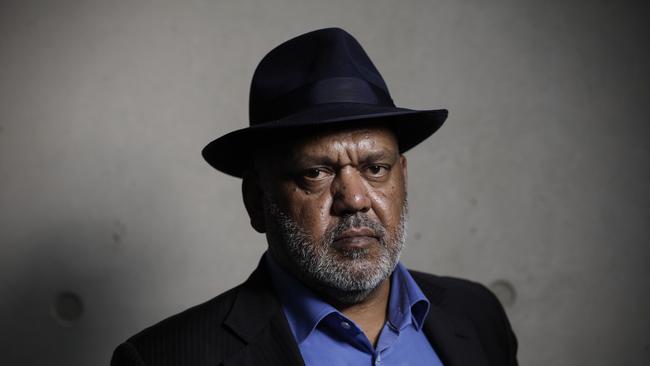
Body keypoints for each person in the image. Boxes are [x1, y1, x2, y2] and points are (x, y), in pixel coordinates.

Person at [111, 27, 518, 366]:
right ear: (257, 201)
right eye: (316, 173)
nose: (355, 199)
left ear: (403, 179)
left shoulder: (478, 314)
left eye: (375, 168)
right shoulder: (165, 359)